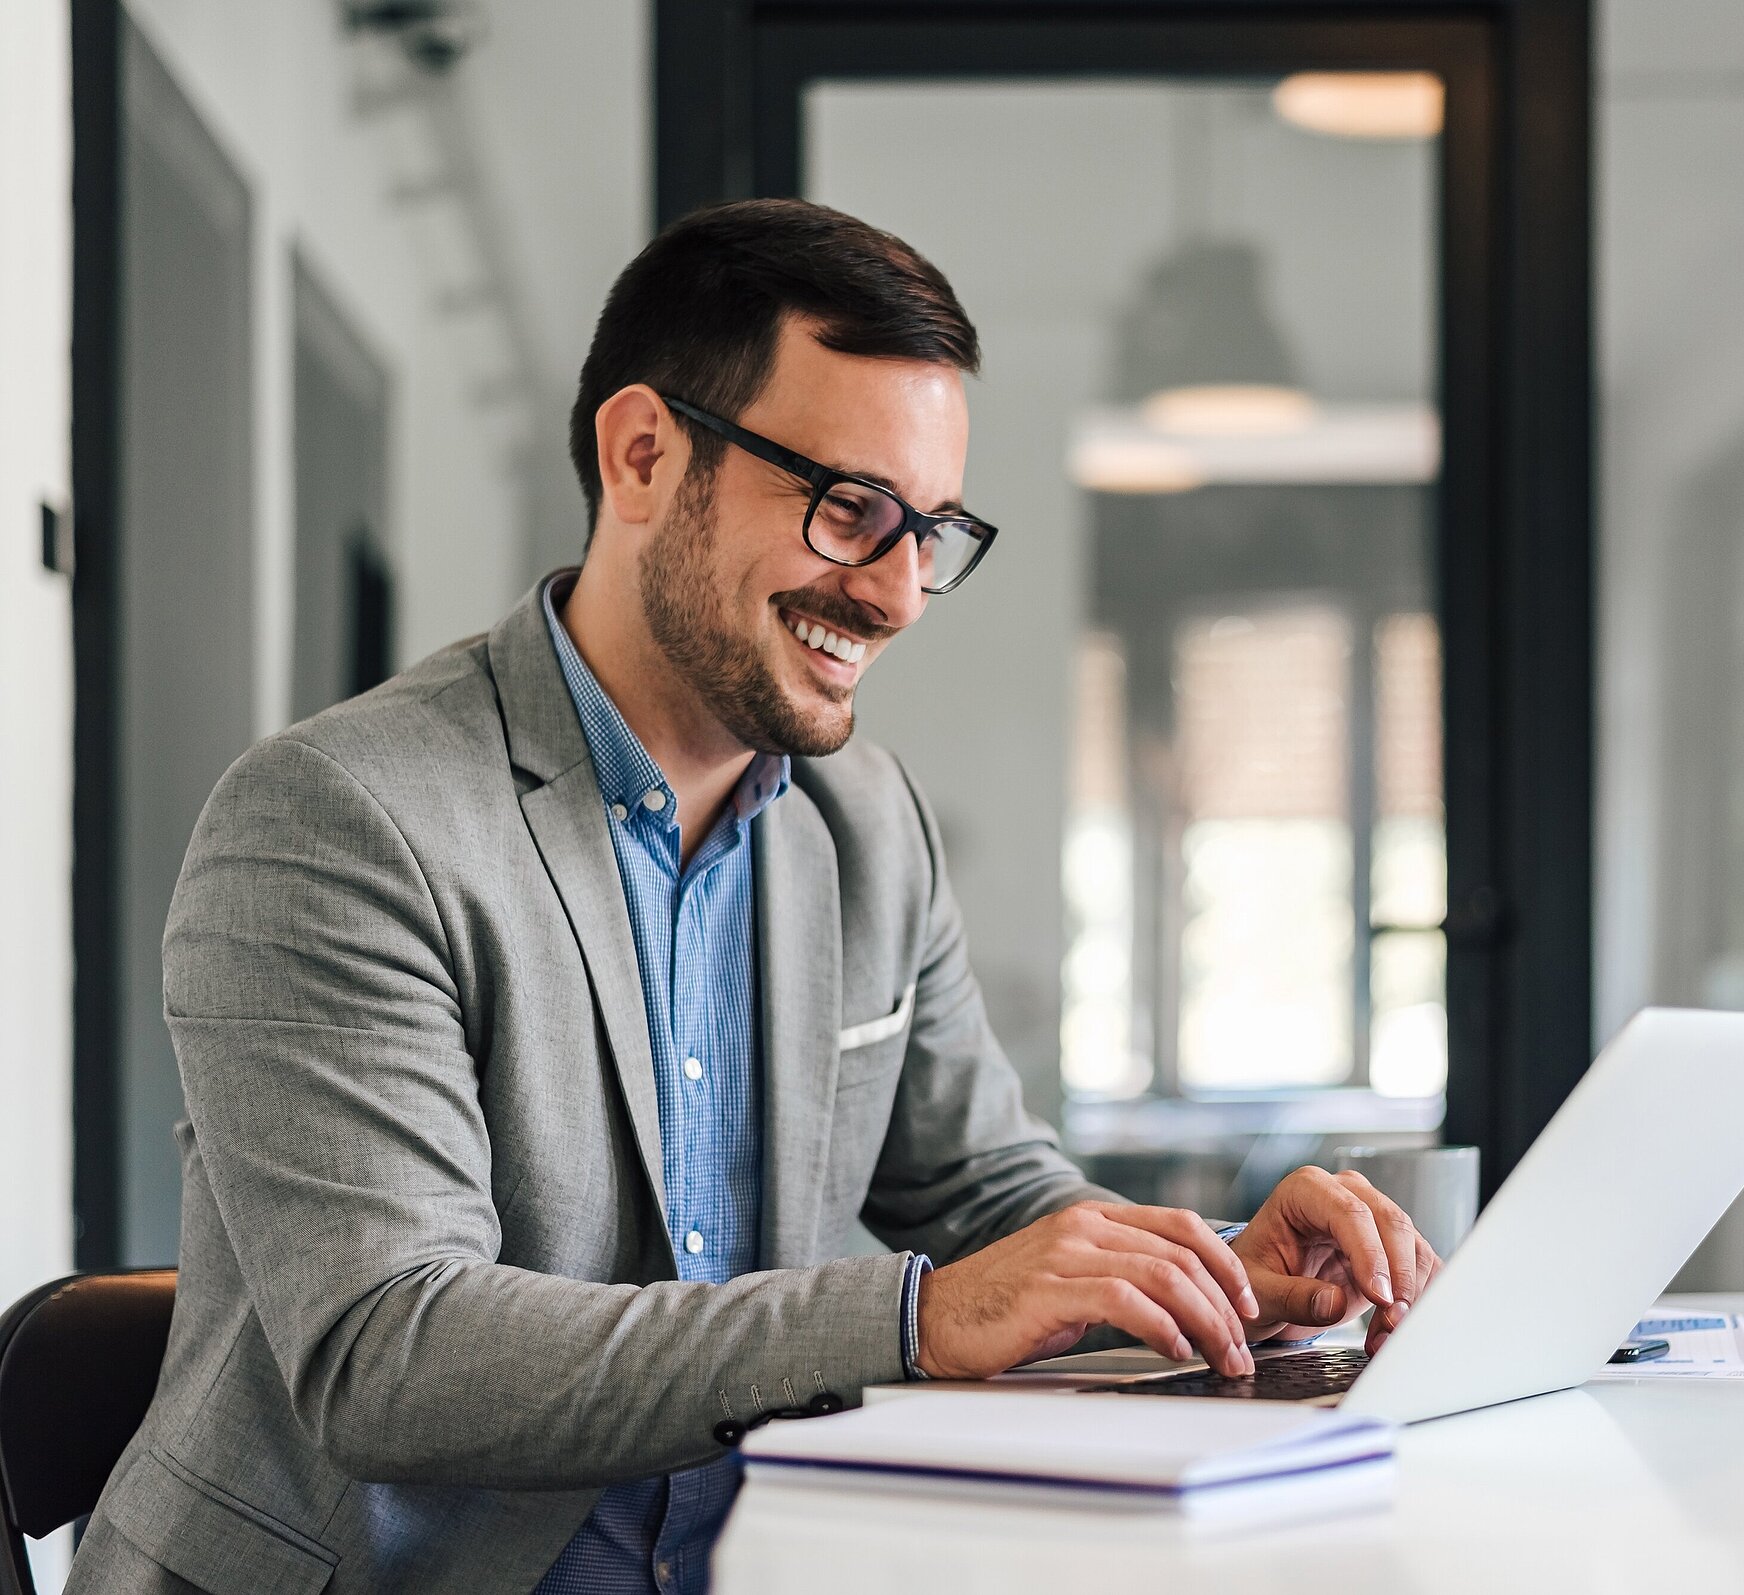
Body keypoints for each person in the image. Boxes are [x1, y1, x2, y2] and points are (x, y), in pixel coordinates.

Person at [69, 199, 1440, 1595]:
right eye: (852, 512)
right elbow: (391, 1358)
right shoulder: (341, 818)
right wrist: (913, 1316)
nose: (900, 594)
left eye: (933, 532)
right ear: (645, 455)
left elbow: (980, 1190)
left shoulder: (869, 827)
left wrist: (1206, 1269)